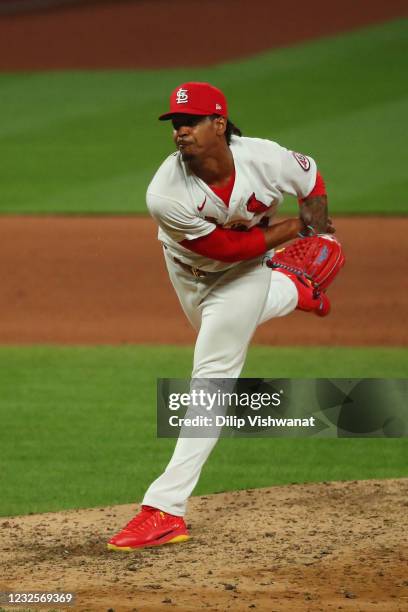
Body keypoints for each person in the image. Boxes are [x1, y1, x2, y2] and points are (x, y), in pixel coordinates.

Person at [107, 81, 334, 551]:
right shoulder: (165, 192)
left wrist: (316, 232)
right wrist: (293, 229)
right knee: (218, 326)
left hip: (245, 275)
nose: (180, 131)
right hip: (190, 273)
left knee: (211, 375)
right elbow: (223, 249)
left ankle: (164, 509)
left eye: (190, 122)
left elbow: (312, 182)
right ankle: (293, 288)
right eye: (175, 123)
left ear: (219, 124)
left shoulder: (265, 158)